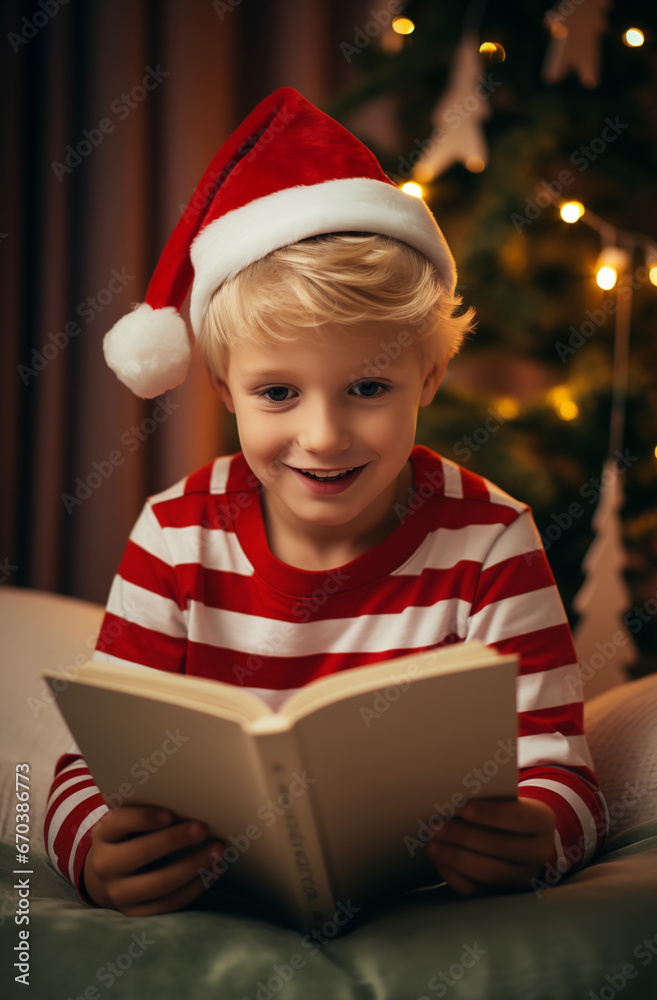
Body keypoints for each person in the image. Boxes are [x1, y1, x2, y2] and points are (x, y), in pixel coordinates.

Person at [44, 87, 608, 919]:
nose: (324, 435)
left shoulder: (491, 539)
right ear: (222, 388)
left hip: (421, 909)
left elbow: (561, 771)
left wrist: (540, 833)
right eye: (277, 392)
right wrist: (94, 853)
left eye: (368, 386)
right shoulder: (174, 531)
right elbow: (84, 769)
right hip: (216, 904)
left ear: (429, 376)